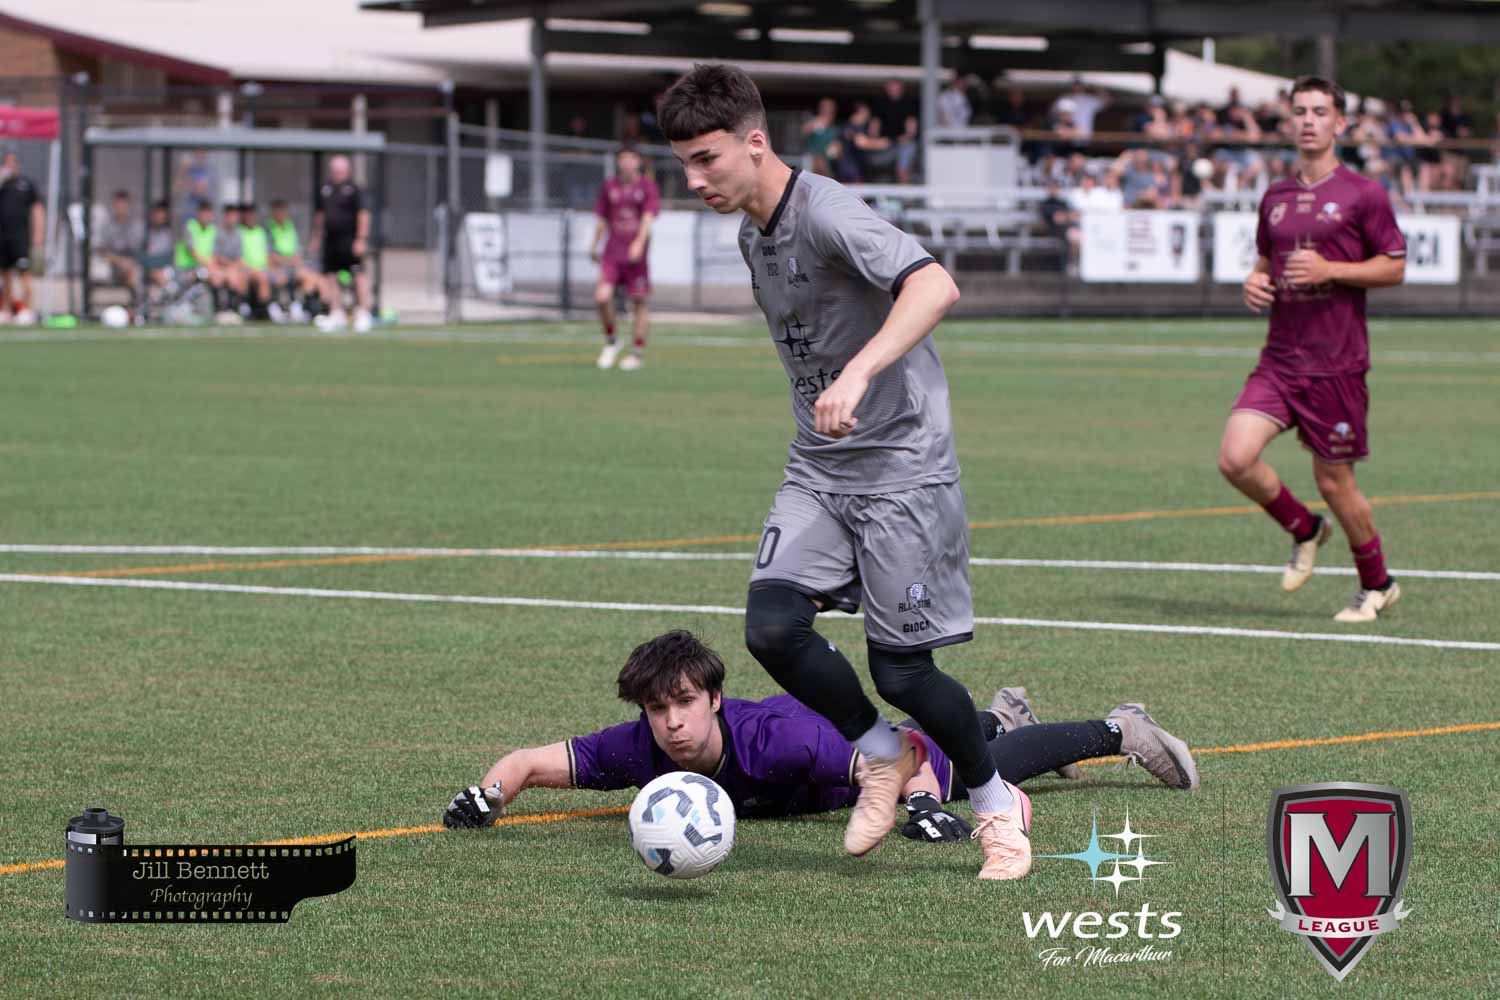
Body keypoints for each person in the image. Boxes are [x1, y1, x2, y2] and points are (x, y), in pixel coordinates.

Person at [656, 63, 1031, 881]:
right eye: (683, 163)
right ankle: (883, 756)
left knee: (903, 671)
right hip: (820, 468)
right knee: (771, 628)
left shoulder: (827, 213)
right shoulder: (753, 236)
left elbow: (934, 285)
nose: (694, 180)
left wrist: (858, 374)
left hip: (902, 469)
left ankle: (996, 804)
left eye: (707, 159)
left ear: (756, 143)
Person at [442, 631, 1198, 833]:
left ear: (714, 698)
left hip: (865, 753)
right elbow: (528, 763)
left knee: (971, 774)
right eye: (656, 708)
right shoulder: (638, 746)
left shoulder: (781, 740)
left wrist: (920, 805)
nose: (671, 722)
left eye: (684, 703)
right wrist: (487, 796)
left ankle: (1121, 729)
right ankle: (999, 711)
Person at [1224, 76, 1407, 624]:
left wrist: (1332, 269)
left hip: (1336, 365)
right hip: (1280, 359)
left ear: (1339, 123)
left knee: (1334, 482)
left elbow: (1394, 266)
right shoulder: (1275, 197)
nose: (1308, 120)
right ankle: (1305, 528)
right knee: (1235, 458)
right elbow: (1266, 262)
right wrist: (1254, 282)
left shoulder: (1363, 194)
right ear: (1289, 121)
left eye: (1320, 111)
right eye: (1300, 111)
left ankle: (1378, 584)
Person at [591, 146, 660, 370]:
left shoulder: (647, 187)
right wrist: (594, 245)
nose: (627, 163)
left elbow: (648, 218)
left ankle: (637, 352)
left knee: (638, 302)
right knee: (602, 297)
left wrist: (639, 243)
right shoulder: (609, 186)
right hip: (612, 252)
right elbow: (602, 219)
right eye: (623, 159)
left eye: (631, 159)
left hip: (635, 256)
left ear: (638, 162)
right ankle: (612, 340)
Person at [310, 155, 372, 333]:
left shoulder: (354, 189)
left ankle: (363, 313)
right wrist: (316, 237)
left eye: (341, 170)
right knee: (330, 276)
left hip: (350, 240)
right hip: (331, 240)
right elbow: (320, 215)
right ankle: (336, 313)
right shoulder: (325, 189)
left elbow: (363, 215)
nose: (337, 173)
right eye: (335, 170)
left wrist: (361, 239)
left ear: (347, 171)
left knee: (358, 274)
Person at [0, 152, 44, 325]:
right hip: (3, 236)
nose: (11, 166)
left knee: (24, 272)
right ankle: (6, 310)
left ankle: (26, 309)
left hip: (21, 236)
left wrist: (38, 233)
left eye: (13, 162)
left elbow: (37, 208)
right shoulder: (3, 184)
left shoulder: (26, 184)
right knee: (5, 275)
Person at [265, 199, 319, 322]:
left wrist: (295, 261)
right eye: (278, 211)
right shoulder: (268, 229)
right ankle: (276, 308)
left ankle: (297, 306)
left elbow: (297, 252)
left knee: (309, 279)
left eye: (283, 211)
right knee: (280, 277)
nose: (281, 214)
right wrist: (286, 260)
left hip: (291, 266)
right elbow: (270, 255)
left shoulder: (290, 227)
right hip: (276, 266)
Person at [96, 190, 144, 304]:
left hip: (132, 263)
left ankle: (137, 304)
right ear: (113, 205)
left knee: (135, 272)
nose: (121, 208)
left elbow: (140, 249)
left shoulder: (136, 225)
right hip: (113, 264)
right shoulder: (107, 226)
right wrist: (119, 261)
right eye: (118, 205)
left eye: (123, 205)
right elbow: (101, 251)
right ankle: (137, 304)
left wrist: (129, 262)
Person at [237, 203, 273, 321]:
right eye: (247, 214)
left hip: (262, 268)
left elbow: (268, 254)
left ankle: (264, 309)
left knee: (268, 275)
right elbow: (237, 256)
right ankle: (259, 310)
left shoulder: (261, 232)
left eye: (252, 214)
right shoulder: (239, 232)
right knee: (261, 278)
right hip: (245, 268)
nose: (250, 217)